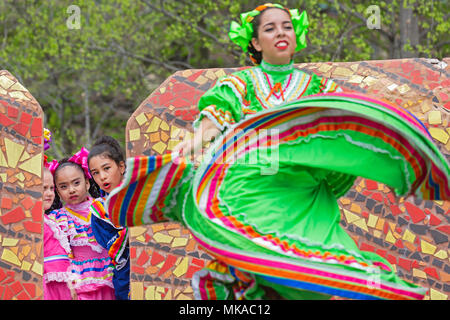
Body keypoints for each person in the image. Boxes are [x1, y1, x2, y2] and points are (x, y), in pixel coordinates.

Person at [105, 3, 449, 300]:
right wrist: (196, 139)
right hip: (253, 190)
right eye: (270, 28)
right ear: (255, 42)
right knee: (257, 262)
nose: (280, 32)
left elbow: (347, 126)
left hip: (305, 197)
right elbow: (216, 112)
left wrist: (402, 155)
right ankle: (235, 283)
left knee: (311, 275)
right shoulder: (241, 84)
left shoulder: (319, 89)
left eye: (287, 26)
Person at [50, 148, 116, 300]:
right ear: (57, 192)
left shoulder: (105, 207)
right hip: (78, 284)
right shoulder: (58, 218)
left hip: (109, 278)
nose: (71, 190)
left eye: (76, 183)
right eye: (64, 186)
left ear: (87, 183)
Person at [87, 136, 130, 300]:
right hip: (124, 271)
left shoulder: (138, 192)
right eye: (95, 173)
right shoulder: (98, 211)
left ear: (121, 166)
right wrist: (129, 232)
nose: (102, 177)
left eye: (106, 168)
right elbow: (107, 242)